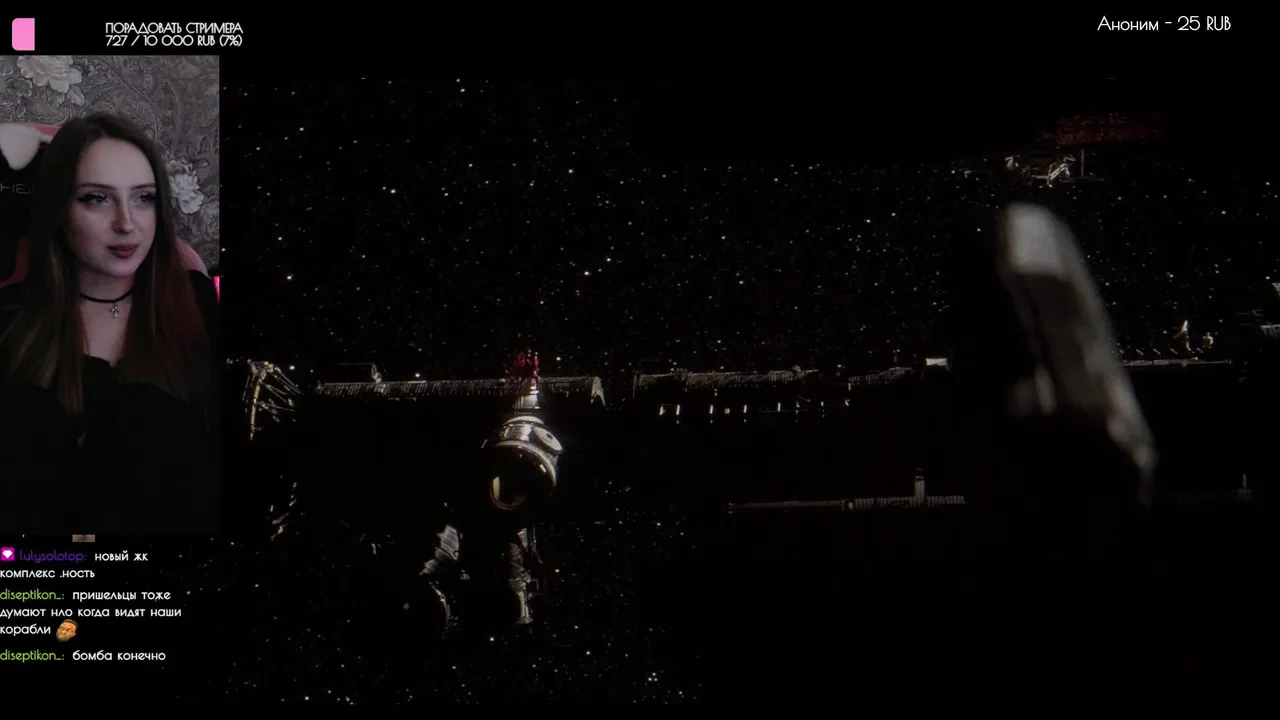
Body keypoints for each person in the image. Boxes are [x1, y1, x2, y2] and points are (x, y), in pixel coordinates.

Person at [0, 113, 220, 536]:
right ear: (59, 209)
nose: (127, 223)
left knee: (143, 416)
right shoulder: (12, 321)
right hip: (39, 566)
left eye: (143, 198)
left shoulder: (196, 302)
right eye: (96, 198)